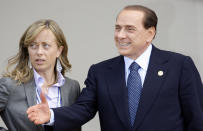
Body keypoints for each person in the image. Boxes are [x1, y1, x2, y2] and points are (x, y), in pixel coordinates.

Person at [27, 5, 203, 131]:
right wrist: (51, 115)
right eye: (118, 28)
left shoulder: (179, 66)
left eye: (129, 29)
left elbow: (197, 118)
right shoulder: (100, 72)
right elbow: (83, 109)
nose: (120, 35)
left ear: (150, 33)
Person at [0, 19, 81, 131]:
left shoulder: (72, 87)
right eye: (33, 45)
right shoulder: (10, 85)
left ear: (59, 50)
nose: (39, 52)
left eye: (46, 45)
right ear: (27, 50)